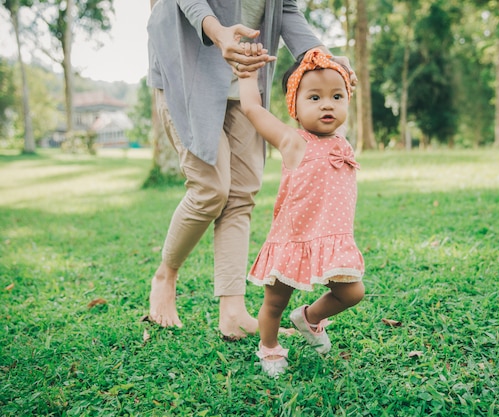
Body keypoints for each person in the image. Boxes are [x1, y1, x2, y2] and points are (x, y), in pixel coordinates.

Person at [145, 0, 355, 339]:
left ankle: (233, 313)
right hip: (189, 63)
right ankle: (166, 275)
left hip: (246, 73)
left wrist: (322, 55)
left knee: (242, 192)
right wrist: (216, 31)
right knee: (211, 189)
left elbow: (285, 7)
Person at [239, 47, 366, 377]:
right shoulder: (292, 141)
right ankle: (269, 349)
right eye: (314, 98)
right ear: (293, 107)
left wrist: (341, 64)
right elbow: (252, 109)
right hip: (292, 240)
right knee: (275, 303)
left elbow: (341, 80)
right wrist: (246, 75)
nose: (327, 104)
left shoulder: (343, 141)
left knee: (353, 292)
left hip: (332, 242)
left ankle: (308, 318)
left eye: (337, 97)